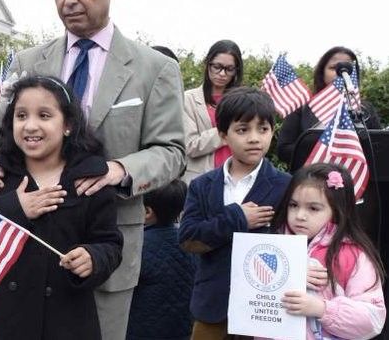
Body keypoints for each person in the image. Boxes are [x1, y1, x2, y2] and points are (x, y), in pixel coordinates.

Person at [0, 0, 185, 339]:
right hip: (23, 253)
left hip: (104, 253)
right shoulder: (27, 62)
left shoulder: (154, 69)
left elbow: (172, 151)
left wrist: (119, 170)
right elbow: (1, 132)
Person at [0, 76, 123, 339]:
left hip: (66, 320)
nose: (30, 126)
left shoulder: (90, 178)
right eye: (21, 115)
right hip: (3, 321)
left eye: (44, 115)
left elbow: (110, 243)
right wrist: (16, 209)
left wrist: (93, 258)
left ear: (68, 125)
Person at [178, 87, 291, 339]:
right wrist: (237, 218)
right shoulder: (202, 185)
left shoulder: (286, 186)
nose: (254, 138)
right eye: (242, 130)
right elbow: (188, 239)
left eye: (263, 129)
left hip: (265, 309)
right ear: (223, 135)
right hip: (213, 306)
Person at [258, 163, 385, 340]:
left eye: (313, 208)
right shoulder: (270, 247)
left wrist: (322, 309)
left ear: (337, 211)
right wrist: (288, 276)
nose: (300, 215)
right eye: (293, 205)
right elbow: (248, 293)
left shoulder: (352, 255)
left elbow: (373, 320)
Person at [276, 46, 383, 167]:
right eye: (334, 68)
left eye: (348, 69)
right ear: (322, 73)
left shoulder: (364, 109)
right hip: (311, 175)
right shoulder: (302, 107)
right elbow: (283, 150)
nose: (342, 73)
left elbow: (380, 147)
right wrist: (322, 149)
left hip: (357, 175)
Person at [127, 180, 196, 340]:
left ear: (147, 212)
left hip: (142, 330)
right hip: (183, 329)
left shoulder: (138, 246)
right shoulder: (190, 242)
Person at [182, 40, 243, 183]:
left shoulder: (242, 100)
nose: (222, 74)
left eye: (229, 69)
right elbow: (190, 145)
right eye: (217, 67)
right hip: (200, 178)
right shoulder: (189, 99)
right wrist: (226, 131)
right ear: (207, 64)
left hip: (237, 175)